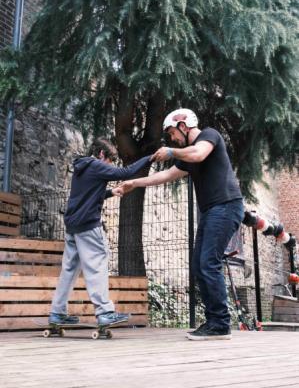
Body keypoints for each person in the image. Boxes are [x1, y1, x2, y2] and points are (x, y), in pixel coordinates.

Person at [120, 109, 244, 340]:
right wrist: (134, 183)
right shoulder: (187, 156)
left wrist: (171, 151)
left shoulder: (209, 136)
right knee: (199, 265)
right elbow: (166, 175)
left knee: (208, 263)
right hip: (211, 211)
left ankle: (219, 325)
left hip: (226, 206)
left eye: (172, 133)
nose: (172, 139)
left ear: (183, 125)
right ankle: (214, 322)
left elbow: (198, 153)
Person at [49, 138, 152, 326]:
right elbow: (125, 172)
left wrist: (110, 193)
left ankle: (57, 312)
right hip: (88, 226)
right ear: (102, 154)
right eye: (110, 161)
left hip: (73, 227)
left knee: (69, 270)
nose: (110, 166)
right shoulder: (96, 165)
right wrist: (150, 158)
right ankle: (104, 311)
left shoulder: (82, 167)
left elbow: (87, 194)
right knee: (98, 263)